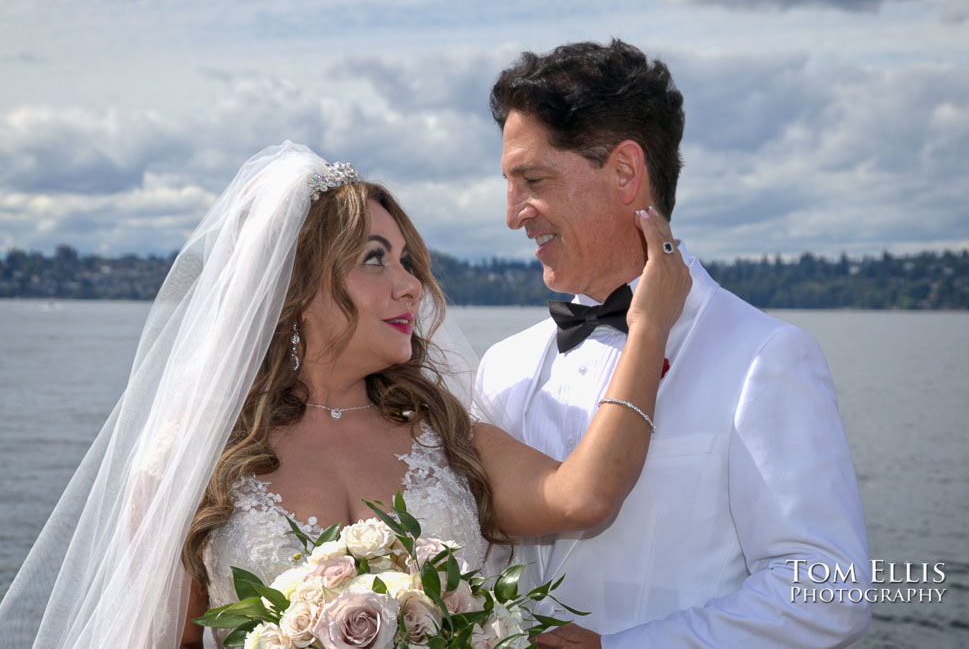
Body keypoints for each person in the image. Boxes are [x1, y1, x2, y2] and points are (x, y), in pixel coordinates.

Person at [0, 141, 689, 649]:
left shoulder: (448, 438)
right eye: (375, 259)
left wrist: (649, 325)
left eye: (409, 261)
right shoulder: (195, 461)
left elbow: (585, 496)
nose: (410, 285)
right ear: (295, 288)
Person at [476, 39, 872, 648]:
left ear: (626, 172)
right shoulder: (503, 366)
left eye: (531, 179)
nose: (513, 214)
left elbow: (829, 594)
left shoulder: (765, 358)